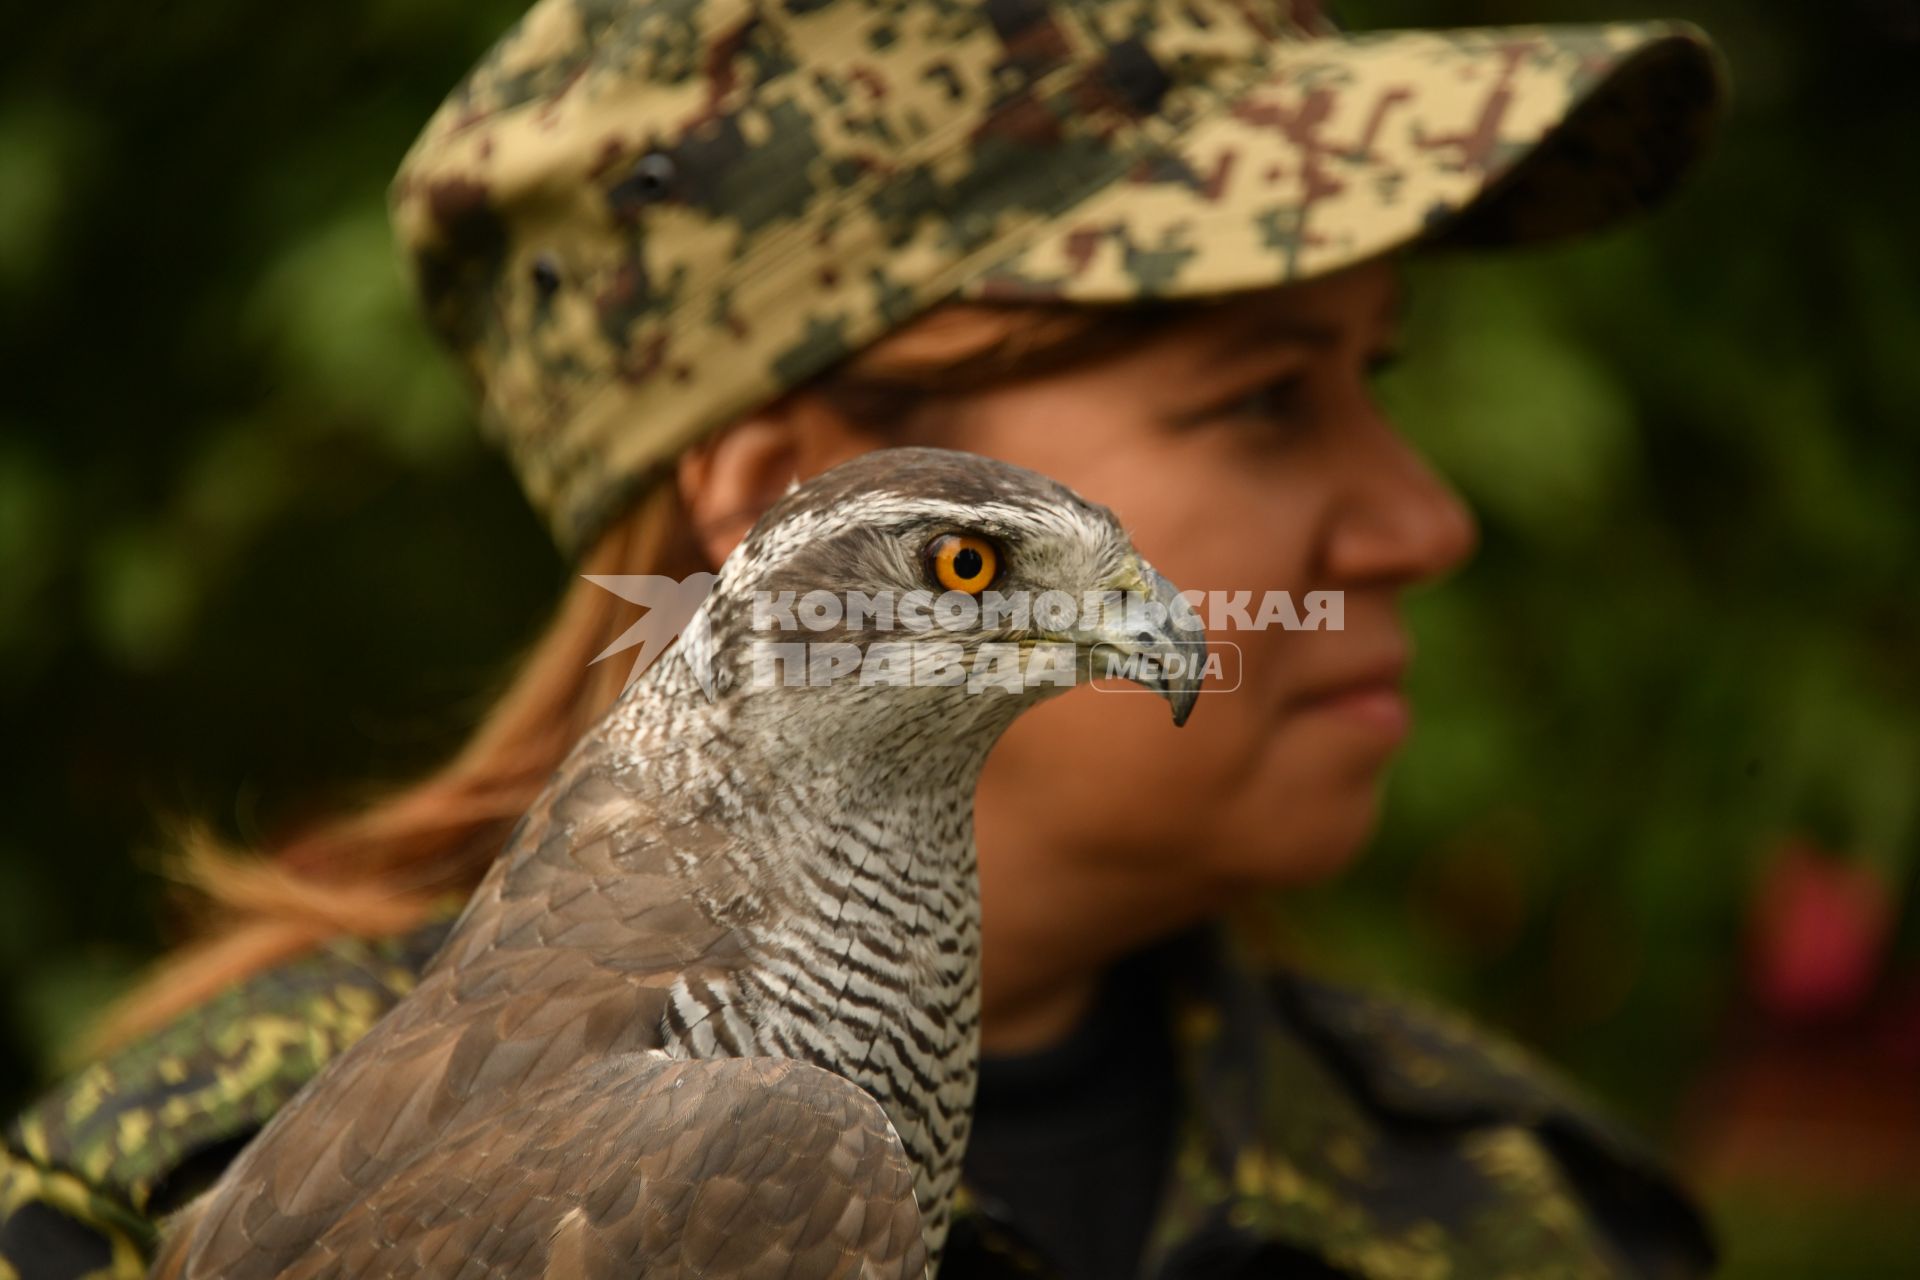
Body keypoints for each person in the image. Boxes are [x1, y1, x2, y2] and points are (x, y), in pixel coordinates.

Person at [0, 0, 1727, 1276]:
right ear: (776, 500)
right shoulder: (143, 1207)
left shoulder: (1537, 1208)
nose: (1429, 520)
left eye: (1382, 376)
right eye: (1263, 401)